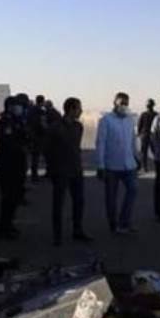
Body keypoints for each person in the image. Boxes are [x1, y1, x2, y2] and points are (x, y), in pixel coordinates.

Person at [46, 97, 91, 245]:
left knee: (79, 201)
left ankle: (78, 230)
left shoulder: (78, 127)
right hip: (60, 170)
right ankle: (57, 235)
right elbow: (48, 150)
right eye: (79, 108)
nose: (81, 111)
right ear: (71, 109)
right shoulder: (55, 127)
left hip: (76, 169)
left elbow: (76, 147)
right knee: (58, 203)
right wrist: (51, 169)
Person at [95, 92, 139, 234]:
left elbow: (132, 141)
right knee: (111, 197)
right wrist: (100, 165)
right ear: (114, 103)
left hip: (129, 164)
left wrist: (136, 157)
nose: (124, 106)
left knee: (133, 189)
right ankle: (114, 225)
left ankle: (124, 221)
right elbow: (101, 143)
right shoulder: (106, 120)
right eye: (121, 103)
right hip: (111, 166)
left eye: (126, 103)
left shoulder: (130, 120)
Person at [0, 96, 28, 238]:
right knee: (8, 197)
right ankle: (4, 228)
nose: (19, 108)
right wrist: (21, 147)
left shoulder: (17, 121)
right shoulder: (5, 122)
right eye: (17, 106)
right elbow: (8, 142)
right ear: (10, 107)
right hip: (8, 165)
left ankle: (9, 224)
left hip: (17, 164)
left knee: (14, 197)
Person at [27, 95, 47, 182]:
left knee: (34, 156)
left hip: (31, 135)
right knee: (37, 156)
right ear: (42, 102)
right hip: (39, 136)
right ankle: (35, 176)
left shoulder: (30, 110)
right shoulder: (41, 111)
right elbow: (43, 124)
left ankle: (33, 174)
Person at [137, 99, 157, 172]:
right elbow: (139, 125)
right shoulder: (154, 114)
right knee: (151, 152)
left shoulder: (147, 114)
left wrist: (139, 133)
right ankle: (145, 167)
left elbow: (139, 125)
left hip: (147, 135)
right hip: (147, 135)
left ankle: (145, 167)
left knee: (146, 152)